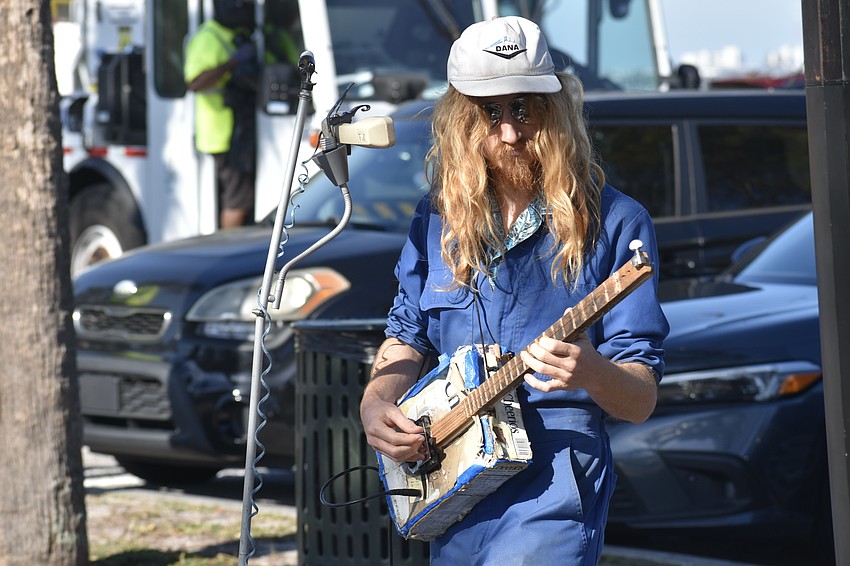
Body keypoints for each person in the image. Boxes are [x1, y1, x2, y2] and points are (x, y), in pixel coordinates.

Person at [359, 16, 669, 565]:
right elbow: (406, 335)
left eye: (524, 109)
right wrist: (376, 401)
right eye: (490, 112)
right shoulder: (436, 218)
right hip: (452, 472)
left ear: (555, 109)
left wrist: (591, 369)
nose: (509, 133)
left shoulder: (617, 221)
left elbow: (640, 399)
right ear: (460, 119)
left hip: (555, 476)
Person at [184, 0, 258, 229]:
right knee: (238, 200)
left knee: (239, 197)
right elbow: (195, 83)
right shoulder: (208, 38)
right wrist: (234, 62)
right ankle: (230, 254)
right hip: (220, 134)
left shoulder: (235, 34)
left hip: (237, 130)